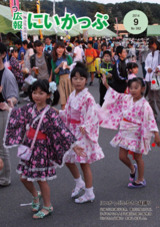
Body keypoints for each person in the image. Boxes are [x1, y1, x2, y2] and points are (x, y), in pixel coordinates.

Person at [1, 79, 86, 219]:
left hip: (41, 149)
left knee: (41, 179)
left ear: (48, 95)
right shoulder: (29, 108)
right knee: (23, 177)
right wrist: (9, 108)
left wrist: (74, 145)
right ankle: (36, 195)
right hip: (29, 147)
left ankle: (47, 206)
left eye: (41, 93)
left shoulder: (51, 113)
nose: (37, 96)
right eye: (34, 92)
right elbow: (19, 115)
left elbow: (61, 129)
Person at [54, 62, 104, 203]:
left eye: (81, 78)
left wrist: (86, 126)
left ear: (86, 80)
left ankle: (89, 192)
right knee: (68, 159)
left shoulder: (88, 97)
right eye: (75, 78)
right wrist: (59, 112)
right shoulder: (72, 95)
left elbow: (93, 115)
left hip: (82, 133)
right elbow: (68, 113)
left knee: (84, 163)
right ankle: (79, 182)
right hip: (72, 131)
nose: (77, 81)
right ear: (71, 80)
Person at [99, 76, 160, 188]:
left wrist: (156, 135)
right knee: (122, 156)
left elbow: (151, 119)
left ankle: (141, 179)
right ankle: (132, 168)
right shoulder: (127, 98)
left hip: (137, 133)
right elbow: (116, 96)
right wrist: (106, 84)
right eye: (131, 88)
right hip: (125, 131)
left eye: (136, 88)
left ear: (142, 88)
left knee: (138, 157)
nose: (132, 90)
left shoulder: (144, 105)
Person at [0, 42, 19, 186]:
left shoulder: (7, 75)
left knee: (2, 146)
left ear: (2, 54)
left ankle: (5, 178)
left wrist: (8, 101)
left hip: (2, 113)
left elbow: (14, 97)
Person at [51, 41, 73, 110]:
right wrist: (59, 66)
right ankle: (64, 118)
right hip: (60, 80)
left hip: (69, 79)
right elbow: (54, 72)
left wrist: (67, 67)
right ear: (55, 49)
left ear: (64, 49)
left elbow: (73, 68)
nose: (60, 50)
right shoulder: (53, 59)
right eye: (58, 48)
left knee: (72, 101)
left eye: (62, 48)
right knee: (63, 101)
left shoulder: (68, 57)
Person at [145, 37, 160, 119]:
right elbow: (146, 65)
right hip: (149, 78)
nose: (152, 47)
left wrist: (158, 67)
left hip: (157, 78)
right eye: (150, 46)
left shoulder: (159, 53)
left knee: (158, 98)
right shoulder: (149, 55)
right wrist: (147, 68)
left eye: (153, 45)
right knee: (150, 98)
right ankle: (153, 113)